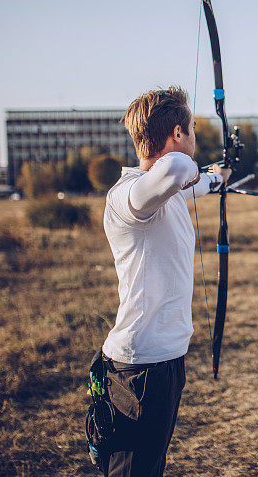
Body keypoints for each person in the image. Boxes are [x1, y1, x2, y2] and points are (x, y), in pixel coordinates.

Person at [99, 86, 230, 476]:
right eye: (191, 131)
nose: (194, 139)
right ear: (177, 134)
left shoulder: (167, 192)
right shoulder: (128, 196)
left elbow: (199, 181)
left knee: (150, 466)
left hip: (166, 361)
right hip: (138, 367)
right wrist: (195, 170)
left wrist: (219, 175)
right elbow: (176, 171)